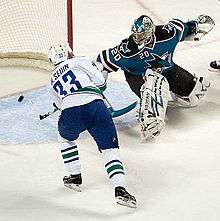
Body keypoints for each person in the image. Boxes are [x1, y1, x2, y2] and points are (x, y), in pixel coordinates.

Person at [96, 14, 214, 140]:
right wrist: (98, 84)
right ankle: (149, 116)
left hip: (168, 70)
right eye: (135, 34)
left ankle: (166, 97)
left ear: (150, 32)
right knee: (154, 81)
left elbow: (187, 29)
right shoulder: (126, 51)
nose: (136, 38)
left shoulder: (168, 34)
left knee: (194, 95)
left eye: (140, 35)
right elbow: (101, 62)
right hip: (139, 79)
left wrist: (199, 26)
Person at [48, 44, 136, 208]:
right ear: (67, 55)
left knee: (65, 138)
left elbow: (59, 104)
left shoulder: (51, 79)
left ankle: (74, 176)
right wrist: (99, 77)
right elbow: (101, 83)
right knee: (110, 150)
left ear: (52, 60)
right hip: (96, 107)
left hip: (70, 112)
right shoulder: (79, 60)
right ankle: (120, 189)